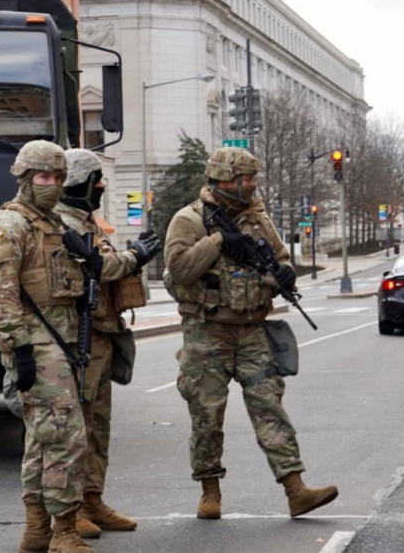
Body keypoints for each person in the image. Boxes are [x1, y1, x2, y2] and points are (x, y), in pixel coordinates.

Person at [164, 147, 338, 520]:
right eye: (246, 179)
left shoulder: (258, 219)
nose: (252, 185)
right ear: (225, 180)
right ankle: (210, 491)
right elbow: (179, 270)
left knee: (269, 406)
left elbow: (281, 258)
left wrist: (284, 274)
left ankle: (296, 490)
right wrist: (218, 243)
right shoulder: (189, 220)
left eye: (253, 178)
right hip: (207, 332)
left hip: (252, 330)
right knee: (207, 415)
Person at [0, 140, 97, 553]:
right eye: (45, 177)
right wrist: (18, 347)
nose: (54, 184)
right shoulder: (10, 224)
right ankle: (63, 530)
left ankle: (36, 529)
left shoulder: (53, 224)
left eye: (60, 177)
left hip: (61, 338)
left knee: (42, 436)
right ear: (25, 179)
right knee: (66, 435)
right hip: (36, 340)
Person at [53, 149, 160, 538]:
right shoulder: (61, 222)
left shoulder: (86, 221)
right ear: (77, 182)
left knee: (98, 425)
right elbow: (99, 266)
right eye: (95, 180)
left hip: (102, 332)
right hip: (75, 336)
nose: (100, 186)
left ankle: (92, 499)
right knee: (75, 428)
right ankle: (70, 508)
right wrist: (136, 256)